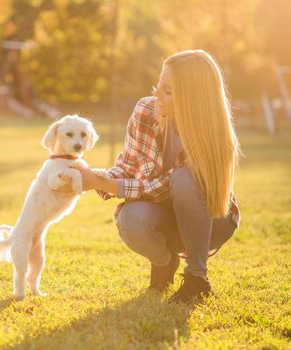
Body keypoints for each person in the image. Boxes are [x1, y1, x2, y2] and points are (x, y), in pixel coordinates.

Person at [56, 49, 241, 303]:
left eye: (168, 91)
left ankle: (197, 279)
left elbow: (163, 186)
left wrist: (103, 183)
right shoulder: (145, 110)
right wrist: (91, 177)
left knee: (185, 179)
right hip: (162, 217)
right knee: (131, 219)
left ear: (192, 97)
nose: (157, 96)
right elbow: (128, 165)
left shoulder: (213, 133)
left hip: (211, 222)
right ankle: (165, 263)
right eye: (159, 86)